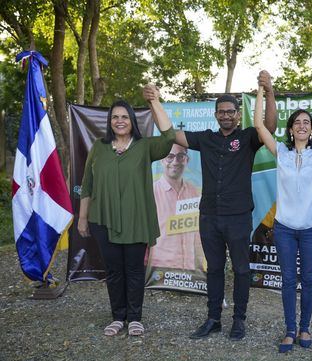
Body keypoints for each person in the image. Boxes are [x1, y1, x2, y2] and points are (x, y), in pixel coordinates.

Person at [143, 71, 276, 341]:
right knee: (214, 268)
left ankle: (239, 320)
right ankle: (213, 318)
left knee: (241, 269)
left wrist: (269, 91)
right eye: (221, 112)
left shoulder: (249, 138)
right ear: (215, 115)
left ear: (238, 114)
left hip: (238, 217)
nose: (226, 115)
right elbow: (170, 134)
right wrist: (155, 102)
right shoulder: (206, 138)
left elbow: (270, 127)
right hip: (209, 217)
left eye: (230, 111)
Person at [253, 68, 312, 353]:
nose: (302, 126)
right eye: (297, 123)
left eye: (307, 122)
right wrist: (262, 91)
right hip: (285, 228)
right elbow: (258, 125)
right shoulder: (282, 153)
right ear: (290, 130)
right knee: (289, 279)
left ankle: (305, 328)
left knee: (309, 279)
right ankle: (290, 330)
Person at [78, 99, 175, 337]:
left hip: (135, 219)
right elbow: (87, 185)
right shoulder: (99, 147)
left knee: (133, 269)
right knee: (113, 270)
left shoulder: (144, 147)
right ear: (109, 122)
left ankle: (134, 318)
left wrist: (154, 101)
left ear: (132, 121)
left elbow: (169, 137)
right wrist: (82, 218)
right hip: (103, 219)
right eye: (115, 117)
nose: (119, 121)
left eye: (124, 117)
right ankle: (117, 317)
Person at [148, 144, 204, 271]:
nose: (175, 162)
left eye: (180, 156)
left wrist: (200, 267)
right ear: (162, 160)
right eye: (170, 156)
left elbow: (197, 234)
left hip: (188, 272)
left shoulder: (194, 192)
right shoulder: (151, 192)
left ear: (187, 160)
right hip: (159, 272)